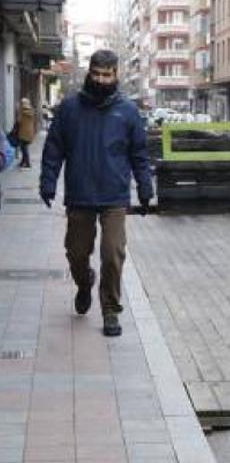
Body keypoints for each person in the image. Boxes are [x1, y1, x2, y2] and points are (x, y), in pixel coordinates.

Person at [40, 49, 153, 337]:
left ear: (116, 75)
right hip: (80, 194)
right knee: (76, 253)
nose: (101, 80)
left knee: (113, 254)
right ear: (89, 73)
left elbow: (139, 153)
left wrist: (144, 186)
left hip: (114, 196)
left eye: (107, 75)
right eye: (96, 74)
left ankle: (111, 310)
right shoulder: (69, 108)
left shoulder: (127, 111)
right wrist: (48, 182)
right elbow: (54, 148)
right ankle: (84, 282)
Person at [15, 98, 35, 168]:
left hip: (24, 134)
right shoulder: (31, 111)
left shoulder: (23, 112)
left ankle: (28, 164)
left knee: (24, 149)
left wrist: (18, 112)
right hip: (29, 133)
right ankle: (23, 162)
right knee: (24, 148)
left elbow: (19, 121)